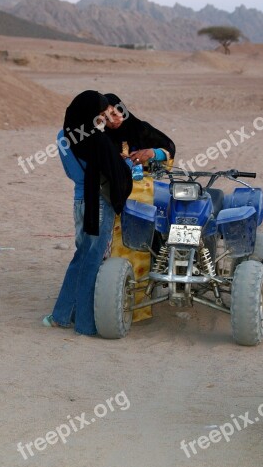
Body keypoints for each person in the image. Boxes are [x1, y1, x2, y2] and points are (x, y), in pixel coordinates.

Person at [43, 90, 132, 336]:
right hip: (98, 204)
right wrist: (124, 164)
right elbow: (113, 171)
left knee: (81, 258)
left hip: (80, 201)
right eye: (100, 114)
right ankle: (84, 323)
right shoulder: (96, 141)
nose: (102, 118)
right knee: (92, 261)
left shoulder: (64, 136)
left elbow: (75, 174)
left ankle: (62, 315)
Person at [103, 93, 176, 323]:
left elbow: (169, 149)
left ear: (122, 110)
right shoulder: (100, 137)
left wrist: (152, 153)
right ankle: (111, 309)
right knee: (116, 251)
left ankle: (139, 311)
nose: (111, 119)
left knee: (142, 250)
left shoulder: (140, 129)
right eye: (105, 116)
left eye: (114, 112)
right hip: (115, 199)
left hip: (145, 198)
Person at [103, 93, 176, 165]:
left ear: (122, 110)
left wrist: (152, 153)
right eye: (106, 118)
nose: (112, 121)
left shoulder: (142, 129)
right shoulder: (103, 138)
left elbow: (169, 147)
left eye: (114, 114)